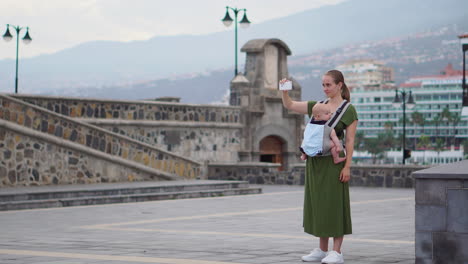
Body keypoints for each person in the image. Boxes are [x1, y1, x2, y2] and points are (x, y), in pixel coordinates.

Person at [280, 70, 358, 264]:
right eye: (323, 85)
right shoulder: (317, 106)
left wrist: (347, 166)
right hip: (315, 163)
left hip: (334, 164)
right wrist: (284, 90)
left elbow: (349, 141)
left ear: (340, 85)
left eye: (329, 85)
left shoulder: (349, 110)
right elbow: (289, 105)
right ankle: (323, 250)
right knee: (319, 204)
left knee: (335, 204)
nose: (325, 89)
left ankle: (337, 251)